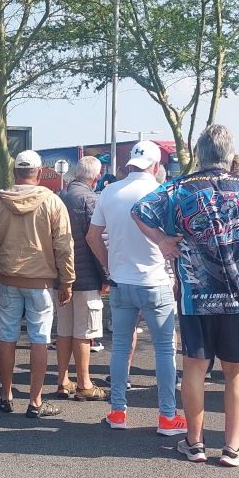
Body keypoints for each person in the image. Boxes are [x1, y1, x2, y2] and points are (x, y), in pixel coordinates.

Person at [134, 125, 239, 466]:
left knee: (194, 367)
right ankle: (233, 446)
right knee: (236, 371)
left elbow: (140, 210)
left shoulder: (178, 188)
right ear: (230, 154)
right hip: (237, 294)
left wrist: (162, 242)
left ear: (199, 154)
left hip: (195, 295)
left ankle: (194, 443)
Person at [87, 141, 185, 434]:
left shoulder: (110, 191)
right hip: (157, 282)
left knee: (119, 348)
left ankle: (117, 412)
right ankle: (167, 417)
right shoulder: (164, 194)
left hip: (121, 282)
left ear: (131, 163)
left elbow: (93, 236)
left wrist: (109, 268)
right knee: (165, 350)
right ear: (156, 166)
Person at [0, 149, 74, 418]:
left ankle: (5, 395)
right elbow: (64, 246)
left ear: (14, 172)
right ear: (39, 173)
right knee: (39, 340)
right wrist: (67, 281)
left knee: (7, 337)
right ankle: (35, 401)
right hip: (42, 283)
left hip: (8, 280)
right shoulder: (53, 202)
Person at [53, 156, 108, 401]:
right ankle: (85, 382)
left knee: (64, 329)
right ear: (95, 177)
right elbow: (96, 240)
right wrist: (106, 274)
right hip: (86, 276)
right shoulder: (90, 199)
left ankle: (63, 380)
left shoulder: (60, 196)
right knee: (84, 331)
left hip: (61, 275)